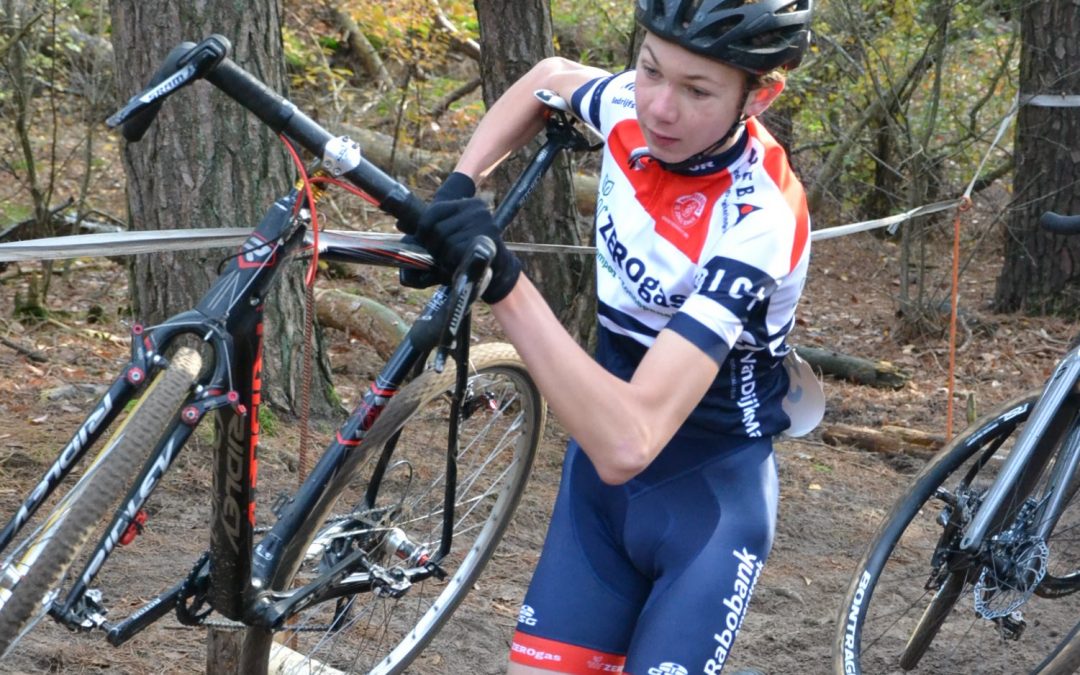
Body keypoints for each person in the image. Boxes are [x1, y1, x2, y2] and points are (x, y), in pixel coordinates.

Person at [410, 0, 814, 672]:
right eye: (651, 69)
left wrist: (504, 282)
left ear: (760, 95)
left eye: (697, 91)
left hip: (706, 505)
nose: (658, 108)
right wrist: (459, 185)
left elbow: (630, 439)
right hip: (594, 502)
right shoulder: (630, 104)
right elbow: (548, 76)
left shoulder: (761, 219)